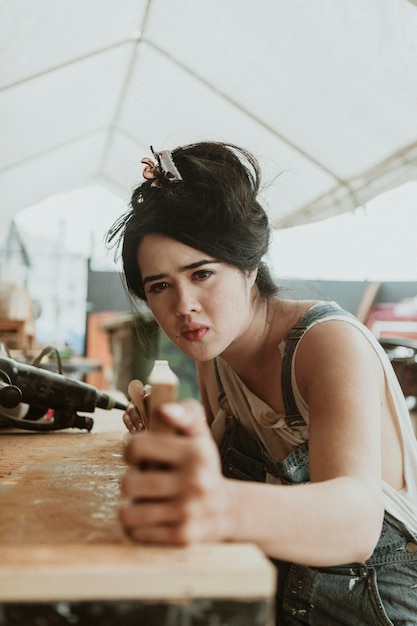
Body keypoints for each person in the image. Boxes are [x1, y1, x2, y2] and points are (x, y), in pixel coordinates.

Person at [106, 142, 417, 625]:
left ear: (249, 267)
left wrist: (219, 506)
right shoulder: (213, 349)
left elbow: (355, 521)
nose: (184, 305)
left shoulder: (326, 345)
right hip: (279, 598)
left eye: (202, 274)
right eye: (160, 286)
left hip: (380, 605)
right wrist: (167, 441)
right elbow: (220, 464)